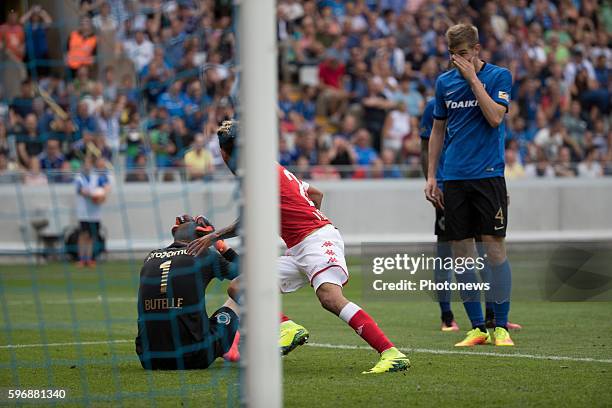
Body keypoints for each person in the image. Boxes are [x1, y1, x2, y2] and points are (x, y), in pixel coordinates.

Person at [188, 120, 410, 374]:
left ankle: (391, 353)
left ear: (225, 153)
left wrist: (214, 235)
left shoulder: (255, 174)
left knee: (329, 297)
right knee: (240, 287)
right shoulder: (270, 168)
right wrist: (300, 217)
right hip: (299, 246)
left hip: (316, 239)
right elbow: (316, 194)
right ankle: (286, 327)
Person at [425, 24, 516, 347]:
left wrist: (473, 80)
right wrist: (432, 175)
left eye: (463, 54)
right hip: (454, 179)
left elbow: (495, 118)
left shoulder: (499, 77)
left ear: (476, 50)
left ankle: (501, 326)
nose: (457, 61)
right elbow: (437, 131)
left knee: (494, 251)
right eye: (453, 55)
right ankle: (477, 327)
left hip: (488, 176)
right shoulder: (444, 83)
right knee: (462, 255)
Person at [136, 215, 241, 370]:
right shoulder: (205, 254)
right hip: (194, 357)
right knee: (245, 286)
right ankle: (237, 341)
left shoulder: (150, 258)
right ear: (203, 238)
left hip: (149, 359)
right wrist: (223, 247)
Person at [74, 155, 110, 267]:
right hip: (84, 212)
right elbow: (80, 190)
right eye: (86, 163)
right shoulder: (80, 177)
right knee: (83, 235)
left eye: (90, 163)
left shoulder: (98, 176)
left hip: (95, 212)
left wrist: (103, 195)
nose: (87, 165)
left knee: (91, 236)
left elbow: (106, 186)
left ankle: (89, 258)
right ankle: (81, 258)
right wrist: (94, 195)